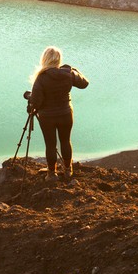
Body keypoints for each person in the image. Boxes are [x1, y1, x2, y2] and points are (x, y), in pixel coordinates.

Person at [29, 45, 88, 183]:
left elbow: (36, 103)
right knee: (65, 141)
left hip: (47, 117)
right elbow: (84, 83)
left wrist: (29, 97)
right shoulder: (68, 74)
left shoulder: (41, 78)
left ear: (44, 59)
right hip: (66, 114)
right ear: (58, 60)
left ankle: (51, 174)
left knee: (50, 145)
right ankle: (68, 170)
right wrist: (72, 69)